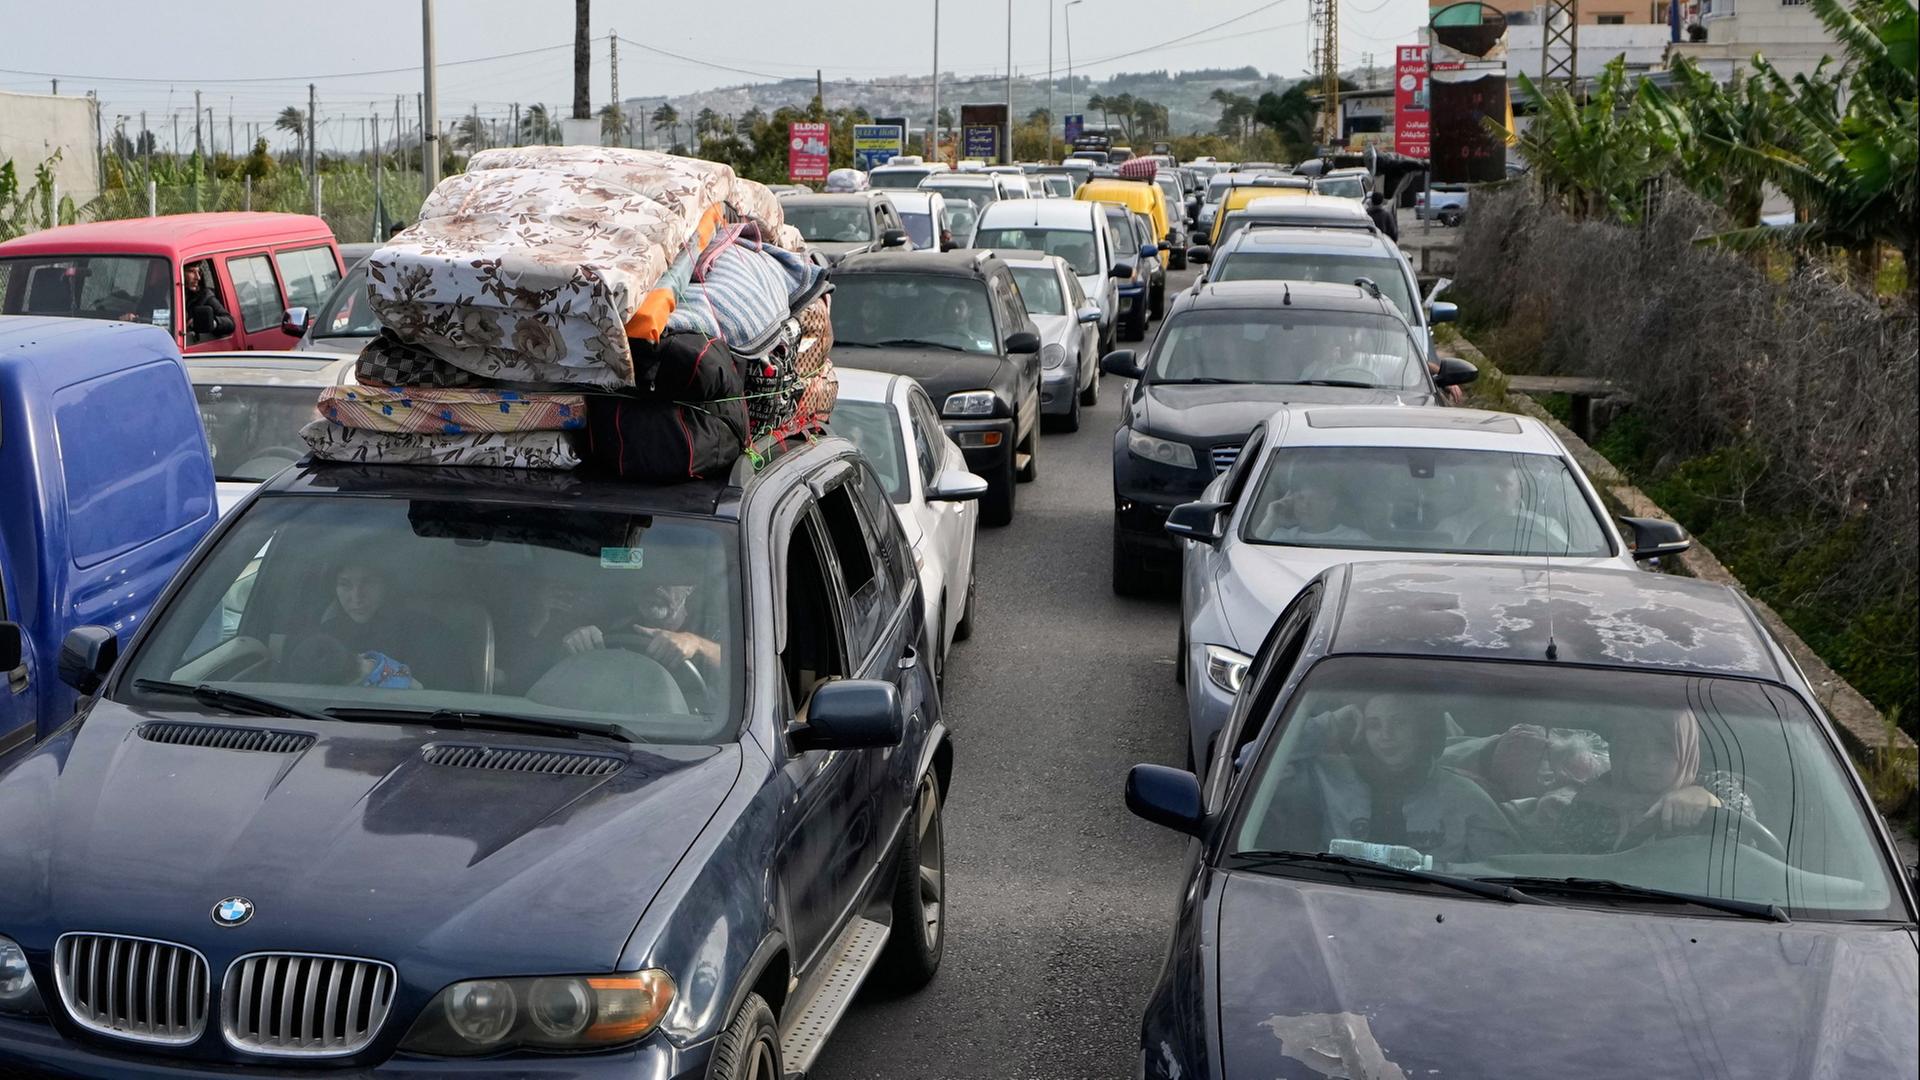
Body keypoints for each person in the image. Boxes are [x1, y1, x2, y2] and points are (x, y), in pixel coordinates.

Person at [1276, 693, 1519, 865]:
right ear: (1361, 731)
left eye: (1399, 722)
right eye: (1374, 725)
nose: (1386, 736)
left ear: (1422, 728)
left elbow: (1504, 869)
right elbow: (1247, 760)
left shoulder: (1464, 795)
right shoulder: (1328, 776)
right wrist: (1328, 724)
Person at [1529, 709, 1756, 854]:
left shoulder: (1717, 785)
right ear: (1619, 750)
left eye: (1666, 746)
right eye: (1635, 745)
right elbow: (1559, 870)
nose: (1649, 760)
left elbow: (1747, 840)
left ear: (1686, 748)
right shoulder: (1592, 802)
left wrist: (1705, 799)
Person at [283, 560, 434, 688]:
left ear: (386, 585)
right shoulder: (320, 638)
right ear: (334, 589)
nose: (357, 597)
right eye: (345, 584)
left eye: (368, 582)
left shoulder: (426, 633)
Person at [1253, 474, 1371, 546]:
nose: (1305, 505)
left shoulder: (1357, 539)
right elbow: (1252, 556)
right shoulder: (1279, 536)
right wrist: (1271, 518)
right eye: (1300, 498)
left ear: (1331, 504)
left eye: (1315, 499)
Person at [183, 262, 234, 341]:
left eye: (198, 272)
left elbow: (230, 323)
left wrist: (211, 323)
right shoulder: (165, 296)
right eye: (191, 271)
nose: (198, 277)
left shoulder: (205, 296)